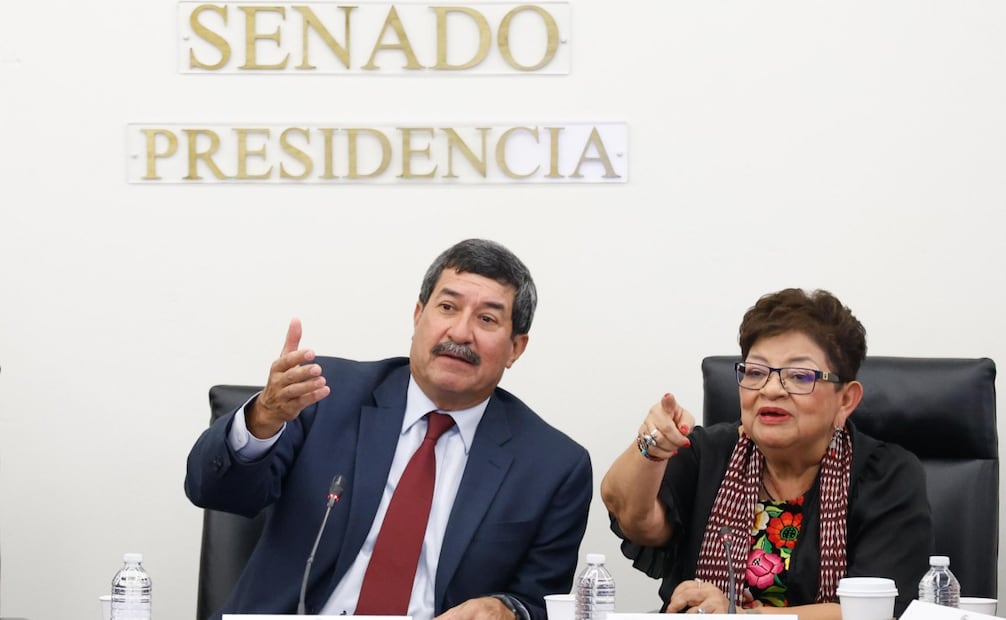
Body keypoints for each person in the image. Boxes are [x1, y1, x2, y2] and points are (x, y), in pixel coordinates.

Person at [186, 239, 592, 620]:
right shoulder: (323, 395)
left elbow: (541, 602)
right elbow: (212, 490)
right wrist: (263, 417)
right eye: (448, 308)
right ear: (418, 317)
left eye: (486, 318)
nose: (460, 333)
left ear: (515, 348)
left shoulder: (553, 466)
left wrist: (507, 608)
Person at [600, 288, 931, 618]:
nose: (771, 390)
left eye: (800, 376)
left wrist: (741, 617)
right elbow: (636, 519)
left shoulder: (886, 474)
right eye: (756, 372)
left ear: (845, 400)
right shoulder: (709, 454)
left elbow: (875, 611)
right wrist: (652, 448)